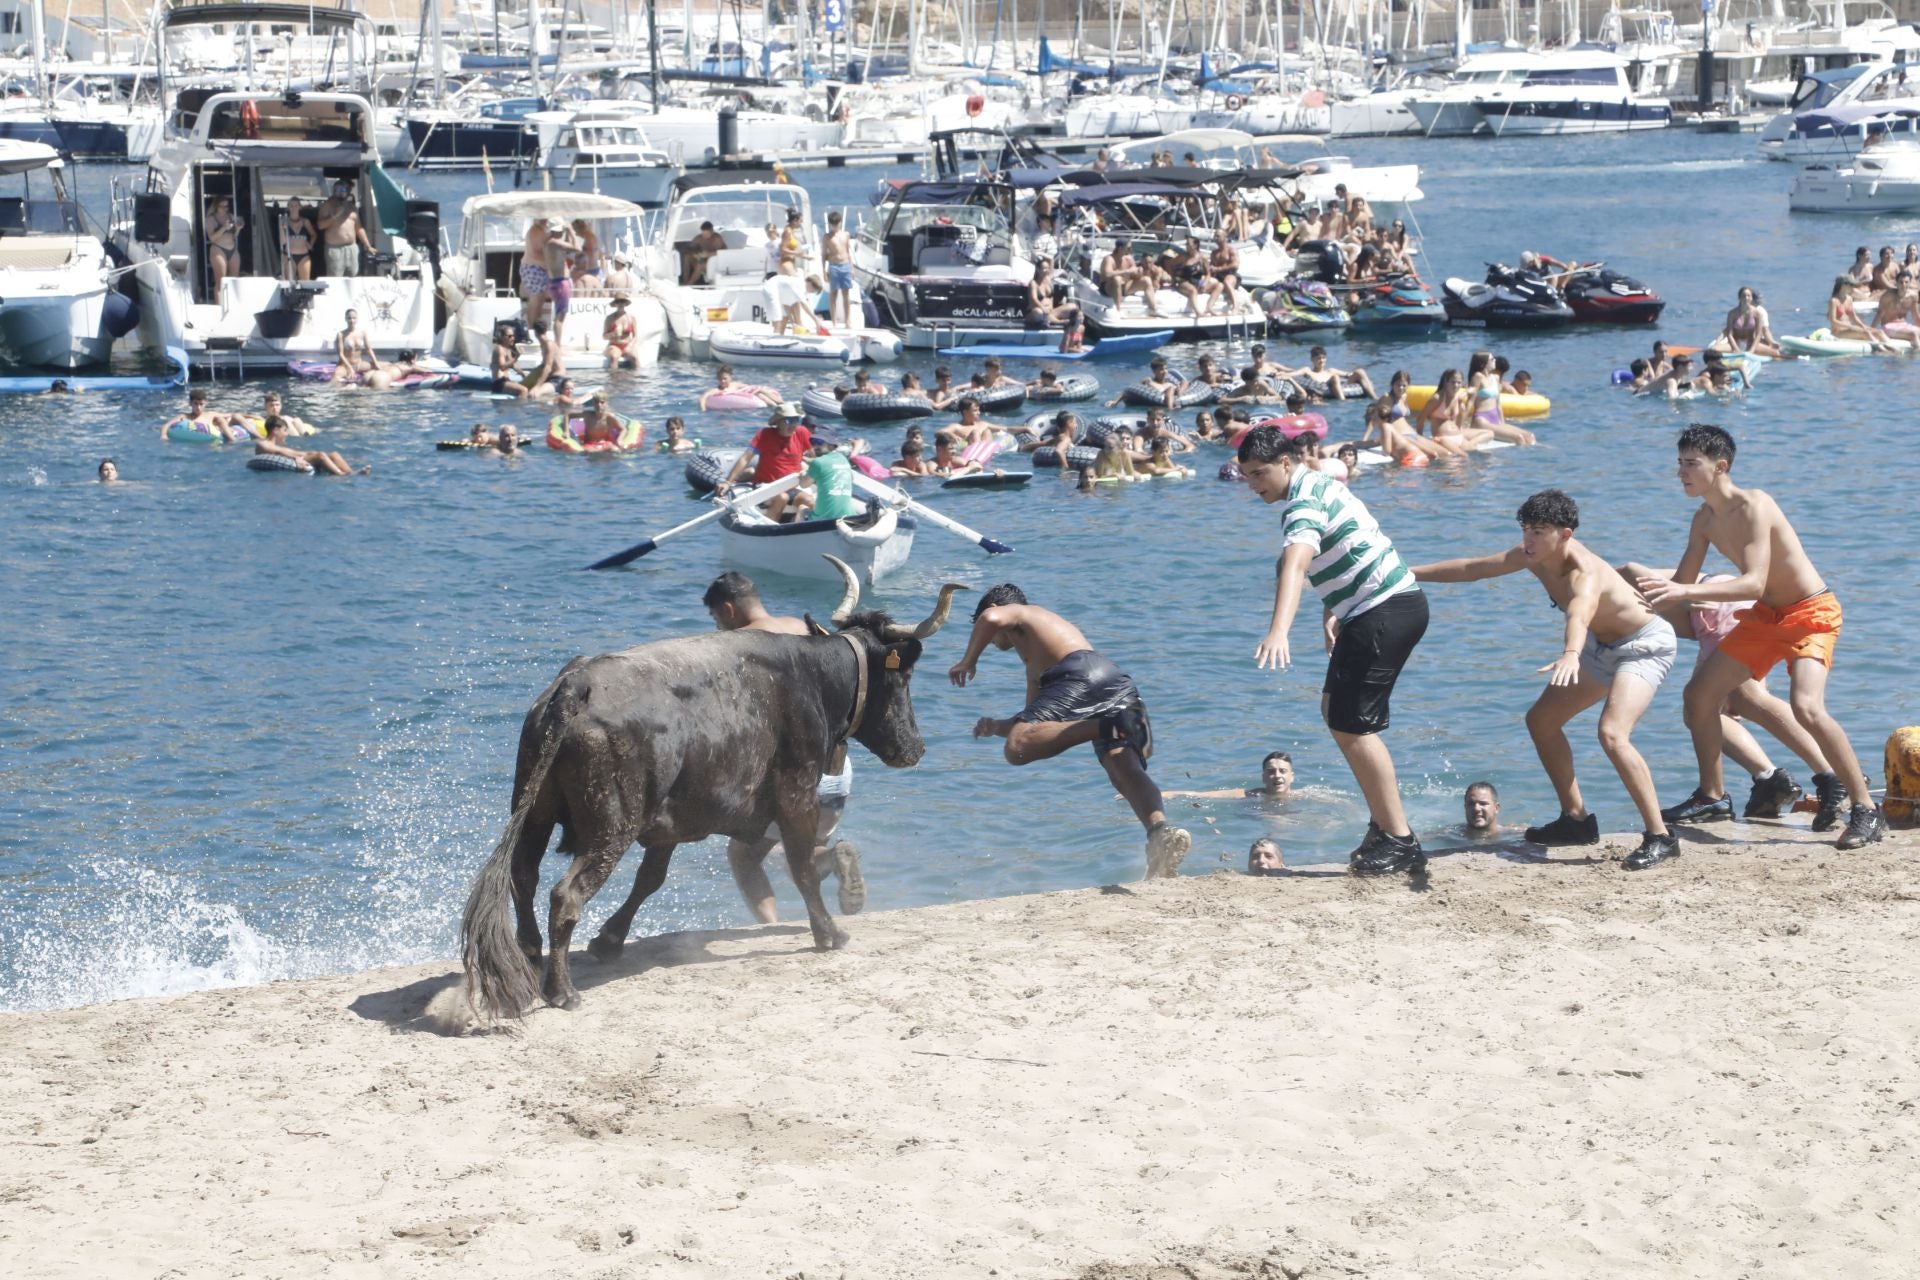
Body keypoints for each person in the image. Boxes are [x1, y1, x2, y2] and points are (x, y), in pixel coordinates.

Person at [1635, 424, 1885, 848]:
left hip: (1810, 612)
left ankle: (1864, 807)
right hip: (1765, 618)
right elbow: (1681, 583)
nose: (1681, 472)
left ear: (1720, 467)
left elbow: (1753, 582)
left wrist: (1684, 593)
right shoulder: (1704, 520)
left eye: (1691, 464)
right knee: (1698, 697)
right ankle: (1712, 796)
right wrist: (1623, 606)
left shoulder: (1755, 505)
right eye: (1679, 463)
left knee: (1807, 707)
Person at [1411, 490, 1680, 869]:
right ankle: (1576, 821)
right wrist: (1408, 573)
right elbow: (1473, 568)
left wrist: (1571, 653)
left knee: (1612, 734)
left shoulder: (1584, 572)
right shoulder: (1532, 555)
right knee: (1542, 721)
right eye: (1525, 529)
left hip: (1642, 646)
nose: (1528, 539)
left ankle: (1660, 837)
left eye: (1538, 531)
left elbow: (1579, 614)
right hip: (1600, 645)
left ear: (1565, 534)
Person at [1238, 424, 1428, 876]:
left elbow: (1296, 564)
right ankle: (1384, 826)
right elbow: (1349, 544)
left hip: (1384, 611)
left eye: (1259, 473)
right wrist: (1333, 607)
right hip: (1377, 608)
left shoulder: (1301, 503)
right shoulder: (1318, 483)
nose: (1253, 485)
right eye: (1246, 476)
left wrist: (1279, 630)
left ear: (1286, 463)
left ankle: (1400, 839)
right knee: (1334, 712)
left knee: (1353, 726)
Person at [948, 585, 1192, 879]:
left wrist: (968, 660)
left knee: (1015, 751)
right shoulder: (1037, 657)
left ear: (996, 607)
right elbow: (1035, 726)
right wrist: (997, 727)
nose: (987, 639)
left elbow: (990, 619)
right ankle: (1160, 833)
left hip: (1076, 674)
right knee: (1122, 770)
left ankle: (1106, 726)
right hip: (1112, 680)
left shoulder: (1023, 613)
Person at [703, 572, 866, 919]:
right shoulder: (805, 628)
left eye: (717, 619)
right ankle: (832, 857)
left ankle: (769, 928)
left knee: (743, 855)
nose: (718, 628)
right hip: (836, 768)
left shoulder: (735, 645)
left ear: (729, 609)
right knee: (803, 850)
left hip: (789, 772)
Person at [1619, 562, 1829, 822]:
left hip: (1717, 610)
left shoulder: (1597, 582)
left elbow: (1628, 569)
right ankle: (1769, 779)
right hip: (1720, 613)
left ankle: (1832, 774)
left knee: (1747, 699)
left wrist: (1685, 597)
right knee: (1701, 711)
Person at [720, 402, 812, 520]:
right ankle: (770, 526)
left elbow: (814, 457)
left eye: (796, 420)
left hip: (791, 486)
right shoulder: (764, 435)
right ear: (778, 422)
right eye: (789, 421)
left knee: (809, 501)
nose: (793, 425)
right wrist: (727, 482)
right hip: (766, 485)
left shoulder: (802, 433)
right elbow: (745, 458)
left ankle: (800, 527)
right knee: (782, 498)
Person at [1165, 750, 1296, 800]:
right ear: (1263, 777)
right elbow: (1199, 795)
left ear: (1292, 777)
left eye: (1282, 771)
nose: (1277, 775)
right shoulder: (1250, 795)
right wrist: (1160, 795)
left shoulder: (1303, 796)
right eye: (1271, 771)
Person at [255, 415, 365, 475]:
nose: (287, 434)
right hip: (295, 460)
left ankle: (351, 473)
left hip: (299, 457)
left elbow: (282, 451)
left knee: (334, 454)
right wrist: (296, 458)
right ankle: (340, 475)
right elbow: (278, 452)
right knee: (320, 456)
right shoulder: (262, 444)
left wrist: (307, 454)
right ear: (275, 430)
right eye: (285, 431)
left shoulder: (276, 445)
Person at [315, 179, 371, 278]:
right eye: (338, 190)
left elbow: (359, 228)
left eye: (343, 190)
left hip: (352, 248)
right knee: (336, 278)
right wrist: (334, 216)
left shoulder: (352, 208)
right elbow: (320, 225)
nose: (341, 192)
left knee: (353, 277)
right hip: (335, 249)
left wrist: (367, 245)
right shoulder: (327, 206)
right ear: (334, 191)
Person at [797, 430, 857, 520]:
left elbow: (803, 484)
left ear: (831, 446)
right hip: (848, 516)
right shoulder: (843, 459)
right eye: (813, 442)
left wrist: (802, 473)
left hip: (824, 519)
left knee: (801, 508)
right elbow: (851, 479)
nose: (815, 446)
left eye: (819, 442)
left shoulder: (818, 462)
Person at [540, 218, 582, 346]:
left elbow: (568, 248)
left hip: (555, 281)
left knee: (559, 315)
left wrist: (567, 233)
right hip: (561, 282)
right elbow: (577, 248)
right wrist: (571, 231)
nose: (562, 233)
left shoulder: (549, 242)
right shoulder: (554, 243)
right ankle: (558, 346)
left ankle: (557, 344)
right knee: (560, 317)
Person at [1713, 286, 1785, 359]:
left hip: (1751, 344)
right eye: (1743, 296)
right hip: (1735, 344)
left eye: (1748, 296)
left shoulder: (1757, 313)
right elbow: (1729, 334)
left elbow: (1758, 335)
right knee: (1713, 350)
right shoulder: (1732, 313)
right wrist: (1736, 349)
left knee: (1776, 353)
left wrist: (1751, 351)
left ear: (1751, 298)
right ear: (1739, 298)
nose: (1746, 298)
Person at [701, 363, 783, 410]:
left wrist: (753, 389)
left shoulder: (735, 384)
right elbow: (703, 397)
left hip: (754, 394)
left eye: (725, 378)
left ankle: (780, 403)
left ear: (730, 377)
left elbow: (748, 387)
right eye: (720, 379)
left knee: (759, 391)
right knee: (759, 393)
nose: (722, 381)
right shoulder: (717, 390)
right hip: (751, 398)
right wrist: (703, 409)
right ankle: (776, 406)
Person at [823, 210, 853, 327]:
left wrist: (852, 268)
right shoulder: (827, 237)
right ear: (830, 224)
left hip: (845, 265)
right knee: (833, 294)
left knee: (846, 294)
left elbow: (848, 251)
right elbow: (823, 255)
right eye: (833, 224)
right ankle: (834, 321)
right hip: (834, 266)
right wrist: (824, 271)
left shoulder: (846, 235)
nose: (835, 226)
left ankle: (847, 320)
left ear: (840, 222)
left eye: (836, 223)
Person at [205, 196, 242, 291]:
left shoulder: (230, 216)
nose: (225, 209)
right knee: (220, 282)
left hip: (232, 248)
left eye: (227, 206)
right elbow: (212, 238)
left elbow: (234, 236)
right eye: (222, 206)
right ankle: (219, 300)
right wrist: (224, 228)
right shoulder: (210, 219)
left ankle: (231, 300)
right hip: (218, 249)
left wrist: (238, 229)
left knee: (234, 281)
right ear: (216, 206)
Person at [331, 309, 377, 385]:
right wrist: (350, 368)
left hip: (359, 364)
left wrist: (376, 363)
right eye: (349, 318)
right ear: (345, 319)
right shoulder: (341, 334)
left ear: (357, 319)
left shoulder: (362, 333)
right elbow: (341, 354)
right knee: (335, 376)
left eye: (354, 318)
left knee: (382, 367)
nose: (352, 320)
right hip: (344, 365)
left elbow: (369, 349)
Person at [489, 323, 529, 400]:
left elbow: (513, 365)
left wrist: (523, 374)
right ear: (502, 337)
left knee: (527, 387)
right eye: (510, 336)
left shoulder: (508, 349)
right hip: (499, 383)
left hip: (506, 381)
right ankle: (521, 407)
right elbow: (502, 367)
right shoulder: (499, 348)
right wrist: (516, 357)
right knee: (524, 390)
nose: (513, 338)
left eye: (513, 336)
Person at [281, 197, 316, 283]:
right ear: (288, 207)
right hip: (289, 256)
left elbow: (313, 235)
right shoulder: (284, 221)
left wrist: (311, 245)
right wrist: (281, 228)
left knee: (305, 283)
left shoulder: (305, 221)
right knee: (290, 283)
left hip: (304, 255)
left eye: (296, 205)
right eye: (291, 206)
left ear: (300, 207)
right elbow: (282, 241)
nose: (293, 208)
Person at [602, 295, 641, 368]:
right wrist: (613, 334)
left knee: (634, 358)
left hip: (627, 345)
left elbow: (635, 336)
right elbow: (604, 336)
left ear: (625, 303)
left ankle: (637, 375)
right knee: (614, 357)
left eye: (622, 302)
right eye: (618, 302)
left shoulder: (631, 318)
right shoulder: (610, 318)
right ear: (615, 304)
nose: (620, 304)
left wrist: (631, 345)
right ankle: (613, 375)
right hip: (614, 345)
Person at [682, 220, 725, 286]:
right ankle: (685, 281)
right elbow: (687, 249)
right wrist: (695, 254)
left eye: (707, 234)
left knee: (701, 265)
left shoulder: (717, 239)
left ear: (712, 231)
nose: (705, 236)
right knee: (687, 257)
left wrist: (708, 254)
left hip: (712, 266)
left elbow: (724, 253)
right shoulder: (698, 239)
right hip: (700, 261)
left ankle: (689, 284)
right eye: (703, 233)